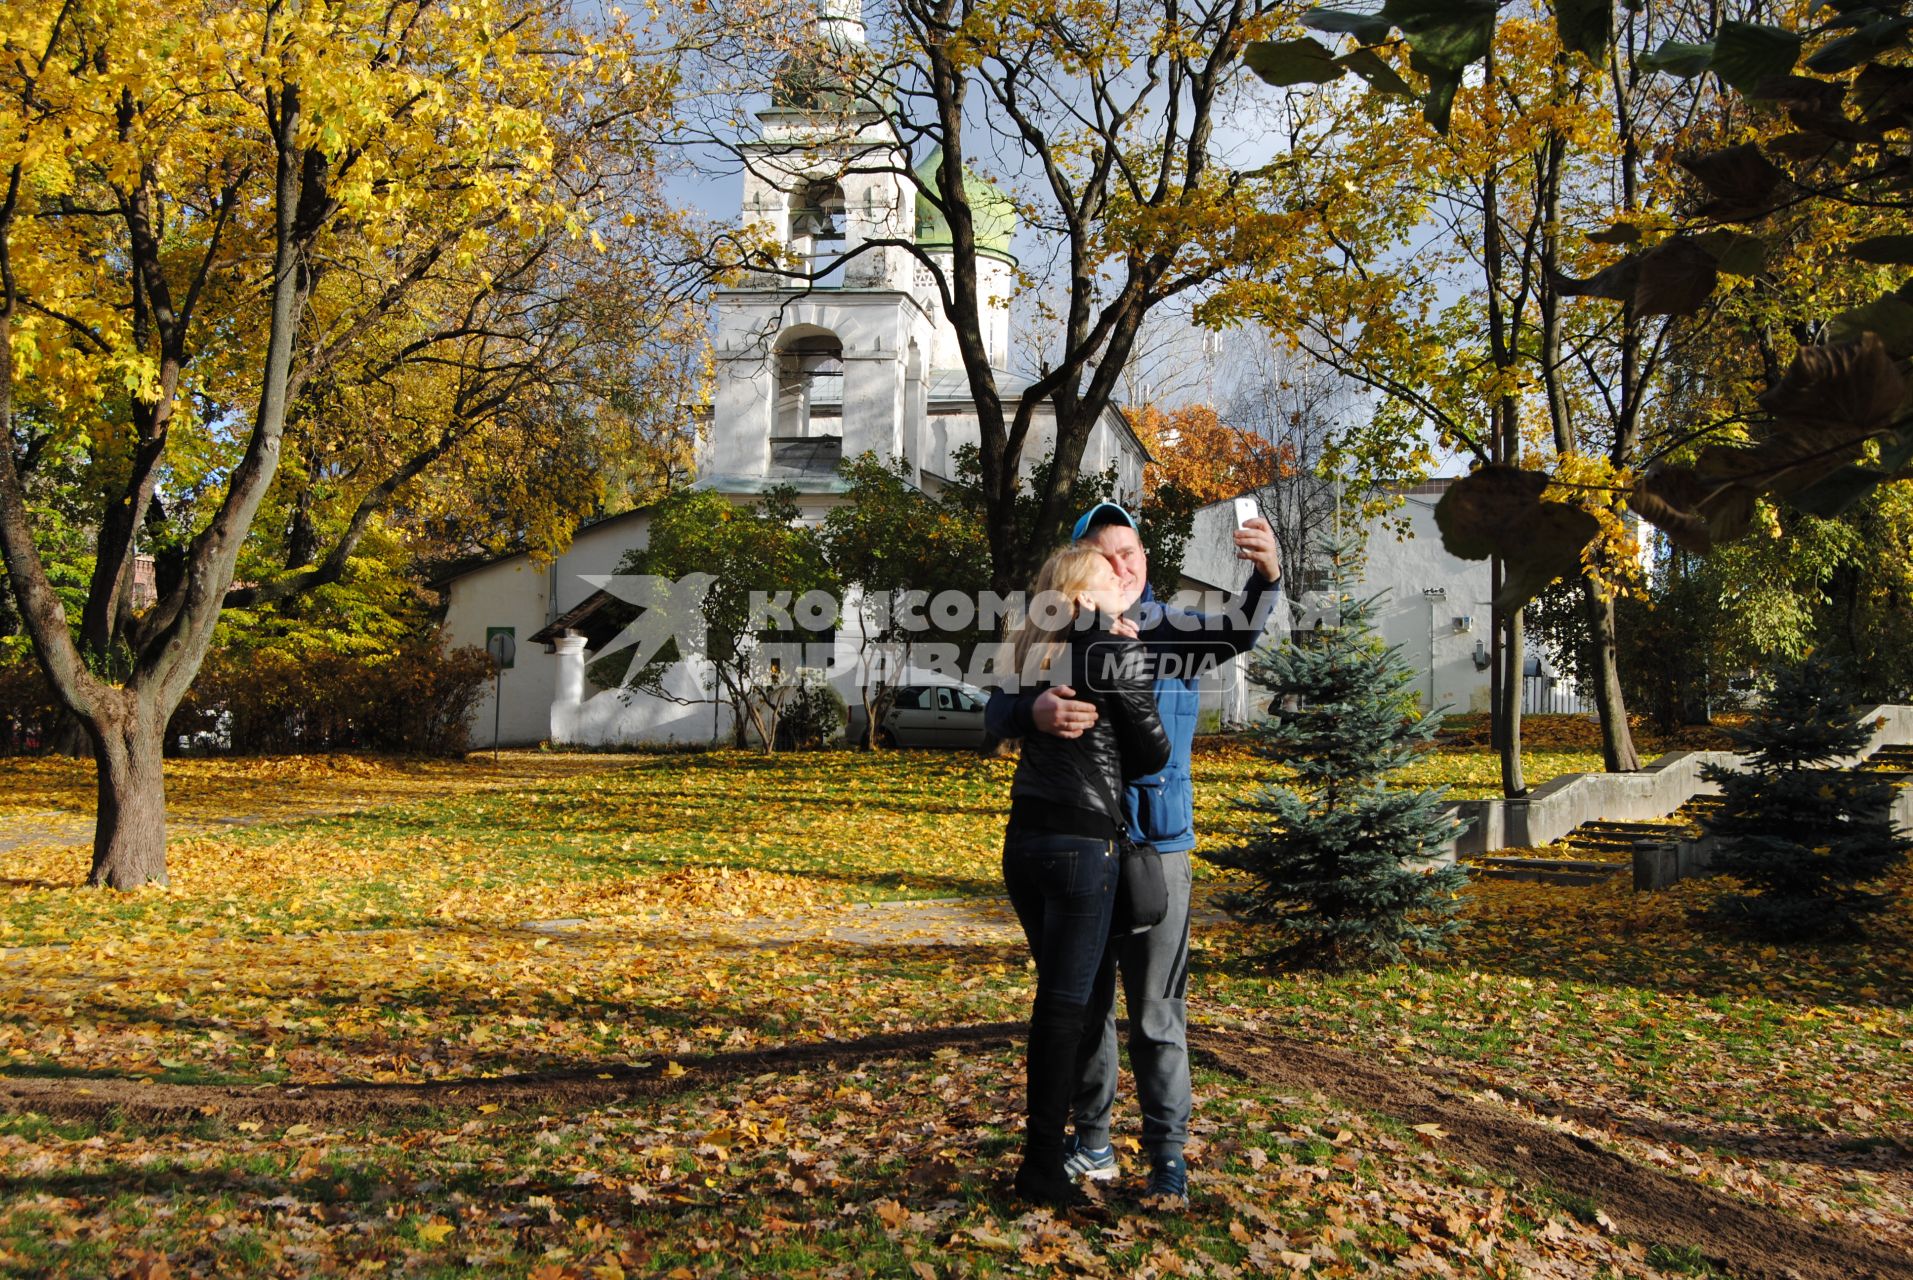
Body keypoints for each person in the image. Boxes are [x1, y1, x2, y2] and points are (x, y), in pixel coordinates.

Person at [987, 501, 1282, 1205]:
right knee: (1084, 1009)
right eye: (1107, 552)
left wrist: (1267, 576)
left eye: (1133, 551)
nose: (1124, 563)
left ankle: (1166, 1155)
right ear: (1085, 567)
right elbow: (993, 707)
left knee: (1155, 1012)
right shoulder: (1053, 630)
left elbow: (1241, 631)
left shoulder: (1171, 628)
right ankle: (1091, 1144)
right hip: (1087, 846)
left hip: (1156, 848)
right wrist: (1032, 713)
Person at [1000, 542, 1172, 1208]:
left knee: (1074, 998)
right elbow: (1151, 752)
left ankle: (1075, 1146)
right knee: (1064, 1011)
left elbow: (1005, 713)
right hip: (1081, 843)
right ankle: (1042, 1165)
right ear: (1081, 591)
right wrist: (1131, 673)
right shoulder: (1111, 646)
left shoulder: (1028, 644)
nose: (1119, 578)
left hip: (1024, 843)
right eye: (1107, 572)